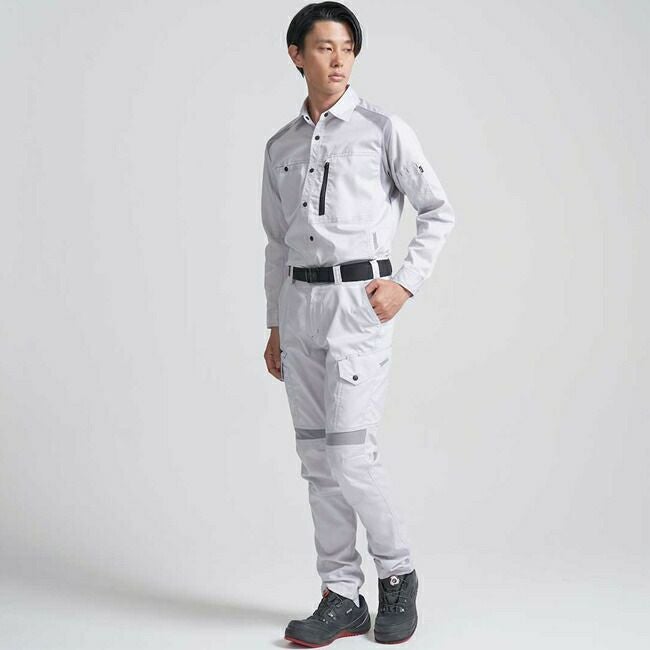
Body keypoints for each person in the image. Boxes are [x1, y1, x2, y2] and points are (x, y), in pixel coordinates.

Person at [261, 2, 456, 646]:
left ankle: (397, 574)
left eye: (347, 47)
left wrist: (405, 283)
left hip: (356, 307)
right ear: (297, 55)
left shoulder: (382, 130)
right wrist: (275, 325)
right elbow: (276, 243)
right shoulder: (281, 146)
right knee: (317, 460)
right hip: (299, 307)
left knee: (350, 454)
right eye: (325, 47)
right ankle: (341, 594)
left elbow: (437, 211)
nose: (339, 59)